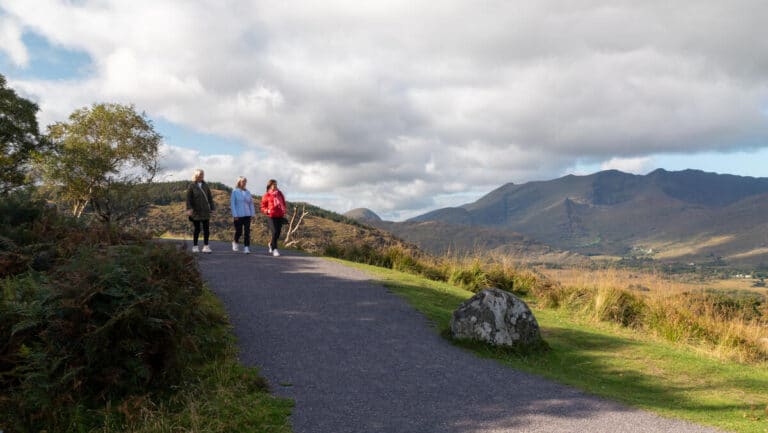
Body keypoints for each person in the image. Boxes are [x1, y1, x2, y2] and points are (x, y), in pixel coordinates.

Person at [186, 168, 215, 253]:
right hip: (196, 211)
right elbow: (188, 199)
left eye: (202, 175)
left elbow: (210, 198)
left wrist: (212, 208)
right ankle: (195, 246)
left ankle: (206, 246)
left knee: (206, 229)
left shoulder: (206, 186)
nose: (201, 176)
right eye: (200, 175)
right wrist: (189, 209)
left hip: (205, 211)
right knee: (197, 229)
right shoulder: (191, 186)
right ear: (196, 176)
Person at [260, 179, 287, 256]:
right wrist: (267, 211)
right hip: (271, 216)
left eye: (276, 184)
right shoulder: (266, 195)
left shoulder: (280, 193)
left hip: (279, 215)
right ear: (270, 185)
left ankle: (271, 244)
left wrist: (284, 210)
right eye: (273, 184)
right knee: (274, 232)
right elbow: (262, 207)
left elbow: (283, 203)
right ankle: (275, 249)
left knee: (278, 233)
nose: (275, 186)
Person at [231, 176, 255, 254]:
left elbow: (251, 203)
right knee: (239, 231)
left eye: (245, 181)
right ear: (239, 182)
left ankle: (246, 247)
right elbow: (233, 204)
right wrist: (235, 215)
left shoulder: (248, 192)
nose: (244, 183)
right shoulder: (235, 192)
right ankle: (235, 241)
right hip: (238, 215)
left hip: (247, 215)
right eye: (243, 181)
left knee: (247, 232)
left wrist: (252, 214)